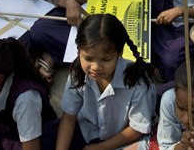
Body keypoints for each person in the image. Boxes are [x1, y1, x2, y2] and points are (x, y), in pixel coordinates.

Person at [56, 14, 156, 149]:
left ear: (119, 53)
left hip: (122, 140)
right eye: (88, 58)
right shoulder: (77, 73)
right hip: (87, 131)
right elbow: (68, 118)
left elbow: (137, 129)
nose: (96, 67)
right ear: (79, 51)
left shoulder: (138, 82)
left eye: (106, 60)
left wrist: (99, 148)